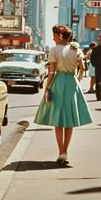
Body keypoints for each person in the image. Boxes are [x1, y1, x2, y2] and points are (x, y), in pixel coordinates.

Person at [34, 24, 93, 165]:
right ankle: (65, 152)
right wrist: (77, 79)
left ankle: (61, 152)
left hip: (59, 82)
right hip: (72, 83)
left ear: (60, 36)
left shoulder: (54, 50)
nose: (53, 38)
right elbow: (83, 68)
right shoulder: (75, 49)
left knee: (58, 120)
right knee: (70, 119)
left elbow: (52, 72)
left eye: (54, 35)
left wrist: (46, 88)